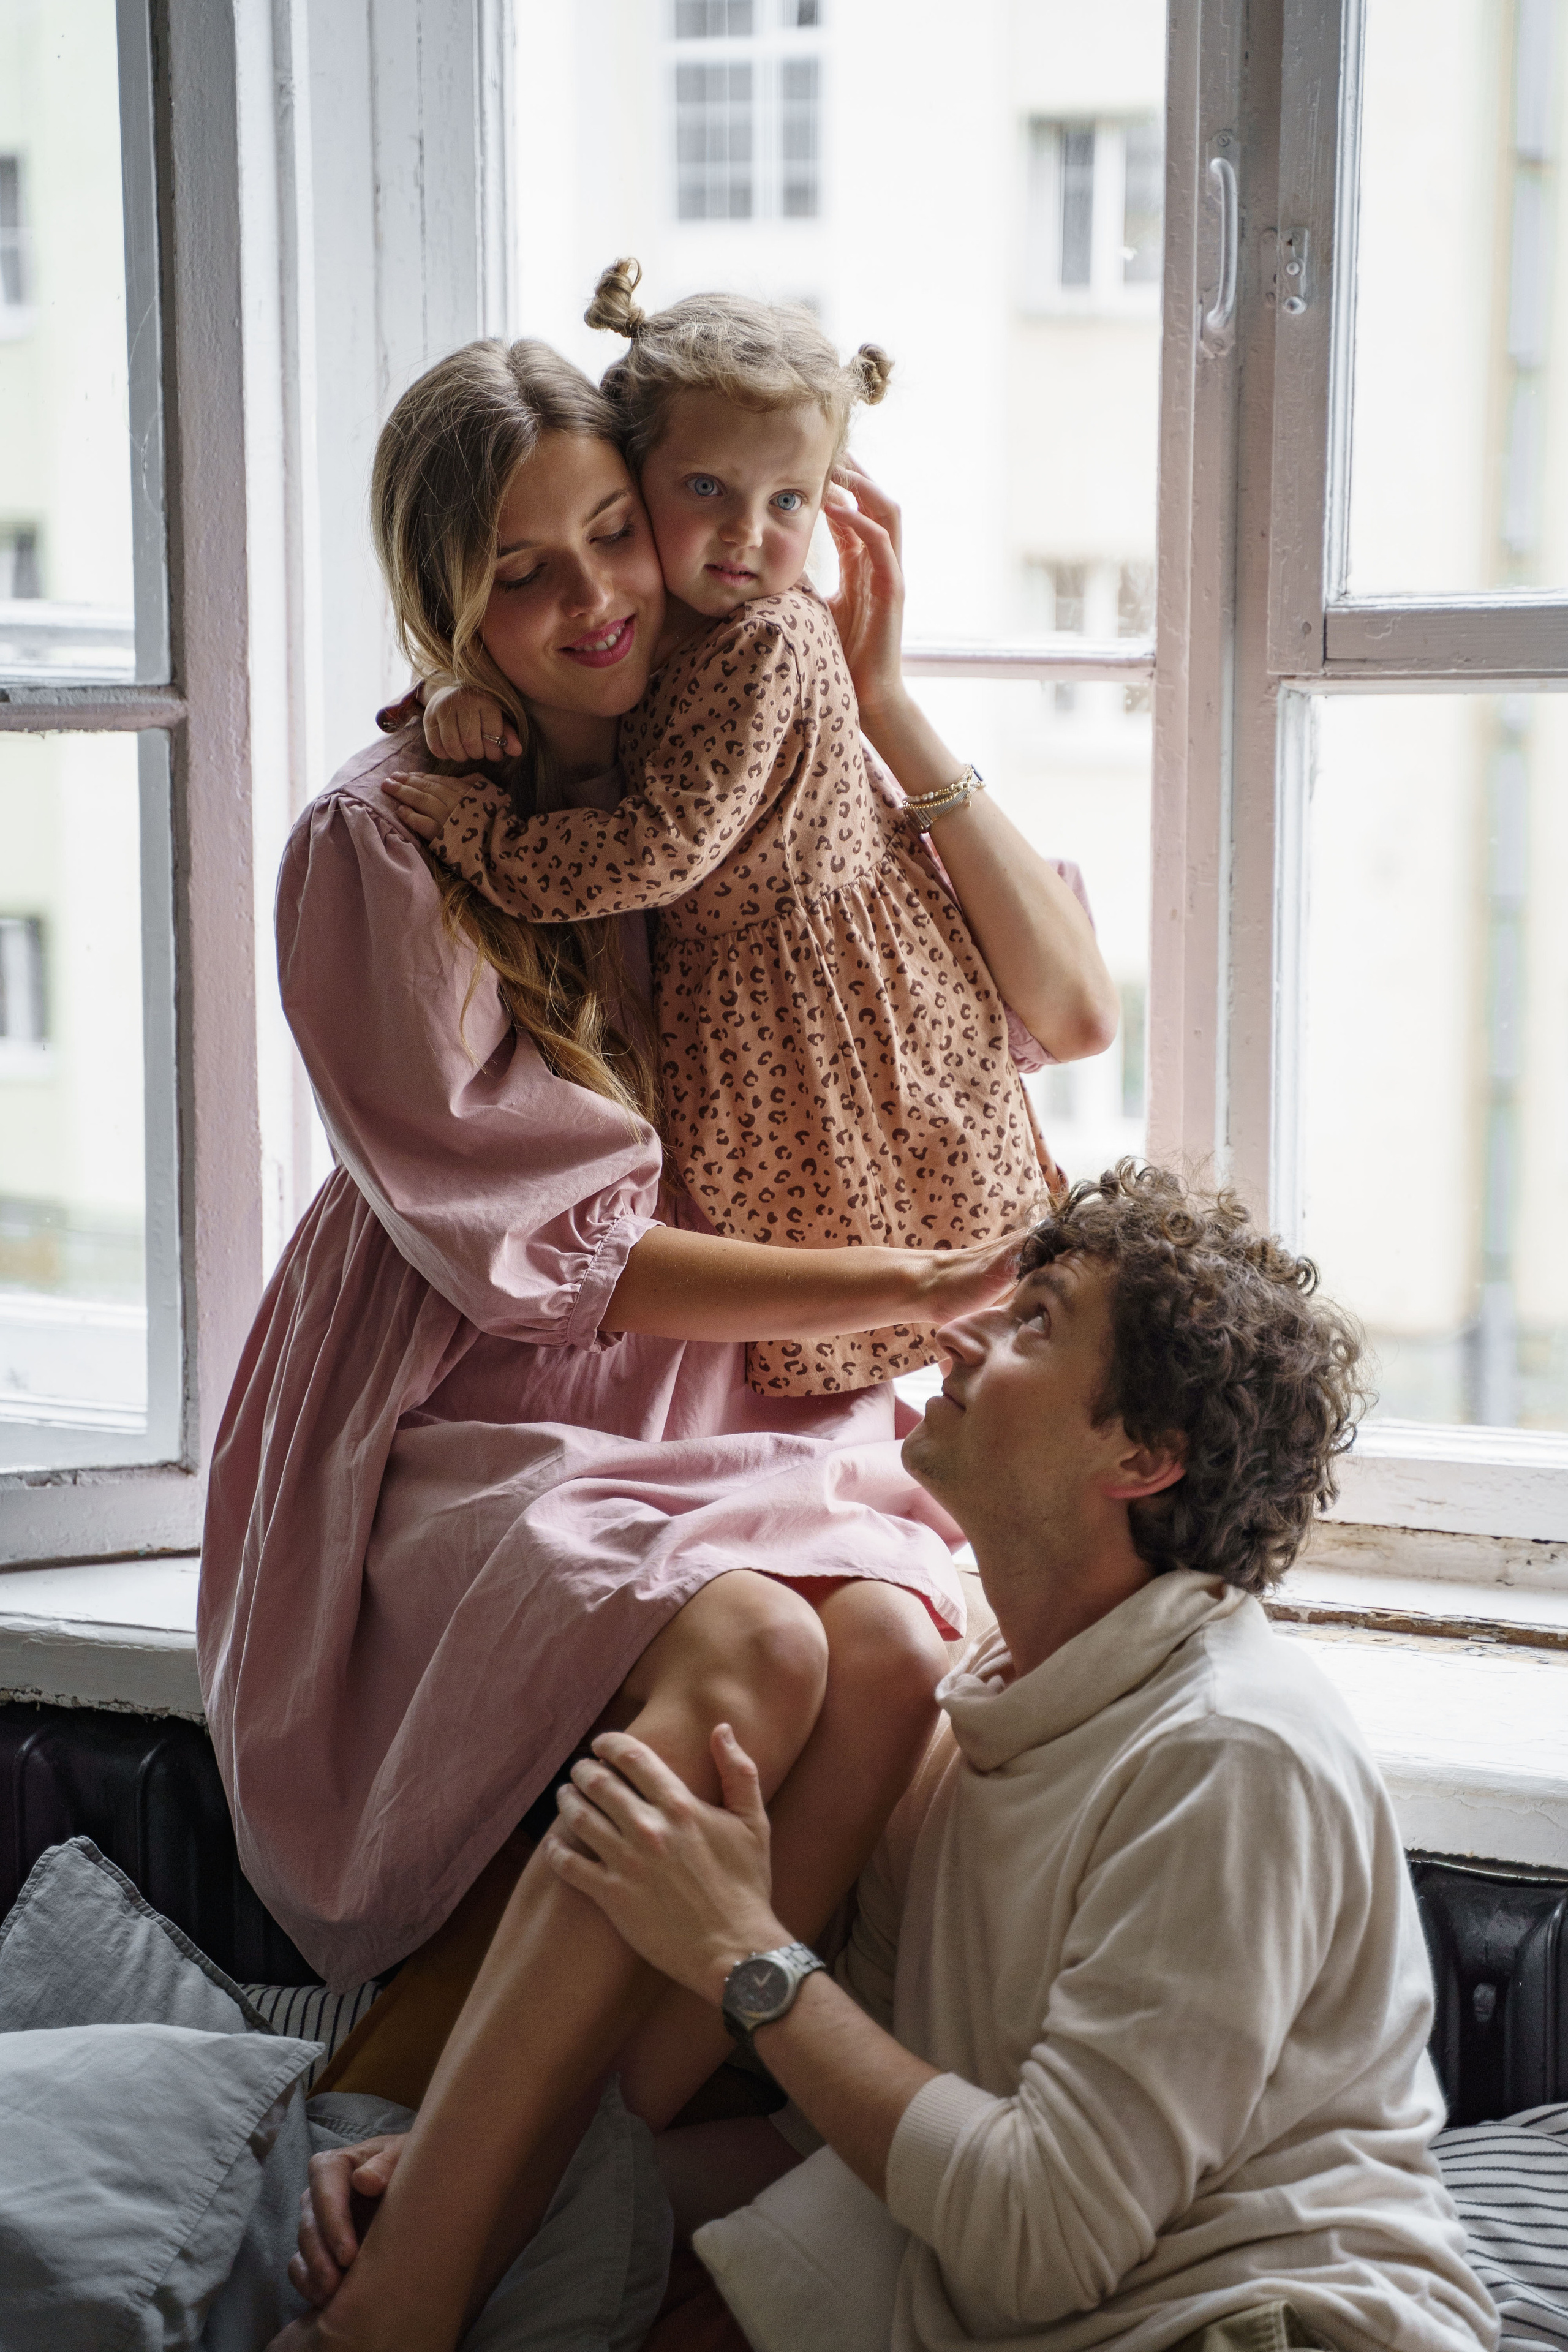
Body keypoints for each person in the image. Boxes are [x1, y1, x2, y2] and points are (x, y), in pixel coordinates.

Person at [197, 328, 1112, 2352]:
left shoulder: (743, 729)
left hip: (734, 1391)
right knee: (761, 1642)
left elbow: (1064, 1009)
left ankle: (495, 2199)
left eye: (615, 531)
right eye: (522, 573)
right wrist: (911, 1284)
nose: (596, 596)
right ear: (445, 600)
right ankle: (413, 2292)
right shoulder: (381, 840)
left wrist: (878, 687)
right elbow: (558, 1258)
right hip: (467, 1392)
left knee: (891, 1657)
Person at [467, 1163, 1496, 2352]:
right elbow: (850, 2131)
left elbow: (1039, 2242)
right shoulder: (982, 1724)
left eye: (1032, 1325)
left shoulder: (1227, 1755)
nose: (955, 1339)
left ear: (1142, 1458)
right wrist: (483, 2203)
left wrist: (740, 1947)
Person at [382, 258, 1115, 1398]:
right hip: (745, 1023)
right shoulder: (660, 641)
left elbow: (658, 847)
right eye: (704, 490)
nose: (745, 537)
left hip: (823, 986)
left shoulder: (768, 641)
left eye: (789, 503)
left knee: (907, 1232)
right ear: (638, 472)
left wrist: (487, 839)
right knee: (837, 1247)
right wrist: (448, 691)